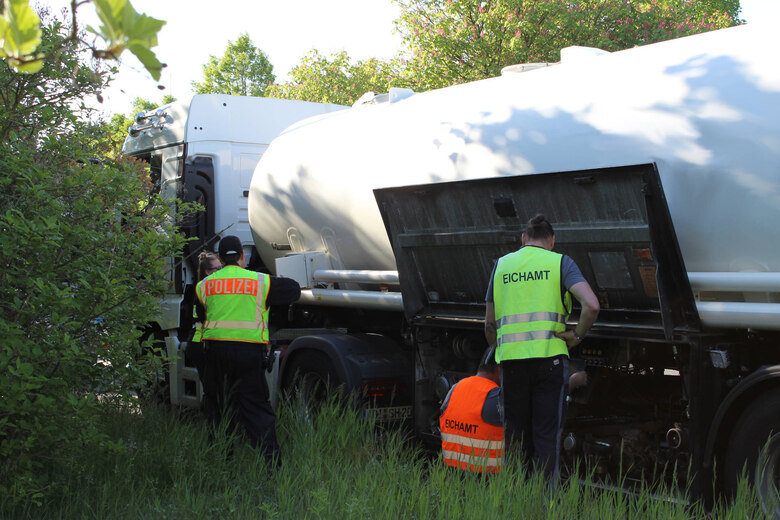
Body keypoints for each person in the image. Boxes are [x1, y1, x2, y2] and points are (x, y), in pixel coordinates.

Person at [484, 214, 599, 481]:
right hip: (550, 363)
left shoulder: (501, 266)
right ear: (552, 241)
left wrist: (501, 352)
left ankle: (515, 500)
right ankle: (542, 503)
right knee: (546, 439)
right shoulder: (560, 262)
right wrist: (577, 335)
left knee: (514, 438)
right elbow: (591, 305)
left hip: (512, 365)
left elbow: (489, 325)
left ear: (523, 239)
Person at [196, 235, 301, 464]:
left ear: (221, 259)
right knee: (255, 408)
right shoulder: (260, 281)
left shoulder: (204, 285)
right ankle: (271, 465)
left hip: (216, 354)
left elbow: (203, 316)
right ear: (242, 256)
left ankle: (223, 462)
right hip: (248, 355)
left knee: (219, 407)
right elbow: (294, 290)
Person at [439, 347, 504, 474]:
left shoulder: (454, 389)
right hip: (488, 479)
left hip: (452, 474)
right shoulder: (495, 396)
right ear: (499, 370)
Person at [184, 251, 222, 378]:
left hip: (198, 342)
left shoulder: (202, 287)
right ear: (208, 272)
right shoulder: (207, 289)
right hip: (200, 344)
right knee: (211, 387)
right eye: (219, 268)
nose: (222, 271)